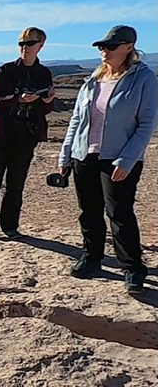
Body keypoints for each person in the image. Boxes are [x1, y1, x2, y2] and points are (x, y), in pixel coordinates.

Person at [58, 25, 157, 294]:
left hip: (118, 158)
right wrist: (66, 153)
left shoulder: (144, 79)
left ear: (129, 47)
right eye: (102, 47)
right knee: (89, 210)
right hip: (85, 155)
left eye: (110, 46)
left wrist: (127, 160)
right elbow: (77, 120)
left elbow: (147, 123)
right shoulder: (94, 79)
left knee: (119, 213)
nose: (104, 51)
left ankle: (133, 268)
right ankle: (92, 257)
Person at [0, 27, 56, 241]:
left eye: (30, 43)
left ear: (41, 45)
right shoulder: (6, 71)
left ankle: (10, 227)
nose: (25, 48)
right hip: (0, 133)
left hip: (26, 135)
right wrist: (18, 99)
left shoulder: (43, 74)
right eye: (22, 44)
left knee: (16, 183)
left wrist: (47, 102)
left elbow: (45, 109)